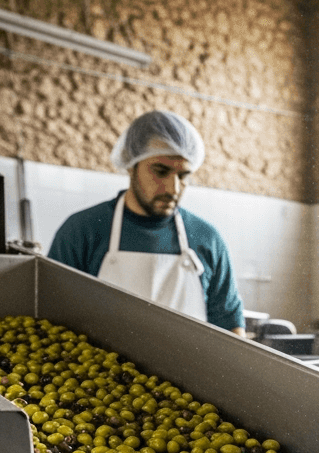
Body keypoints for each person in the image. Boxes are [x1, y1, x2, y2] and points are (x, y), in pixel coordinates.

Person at [48, 111, 245, 336]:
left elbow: (230, 324)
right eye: (161, 171)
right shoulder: (82, 231)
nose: (173, 189)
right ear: (131, 164)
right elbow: (54, 320)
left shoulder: (207, 239)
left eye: (183, 176)